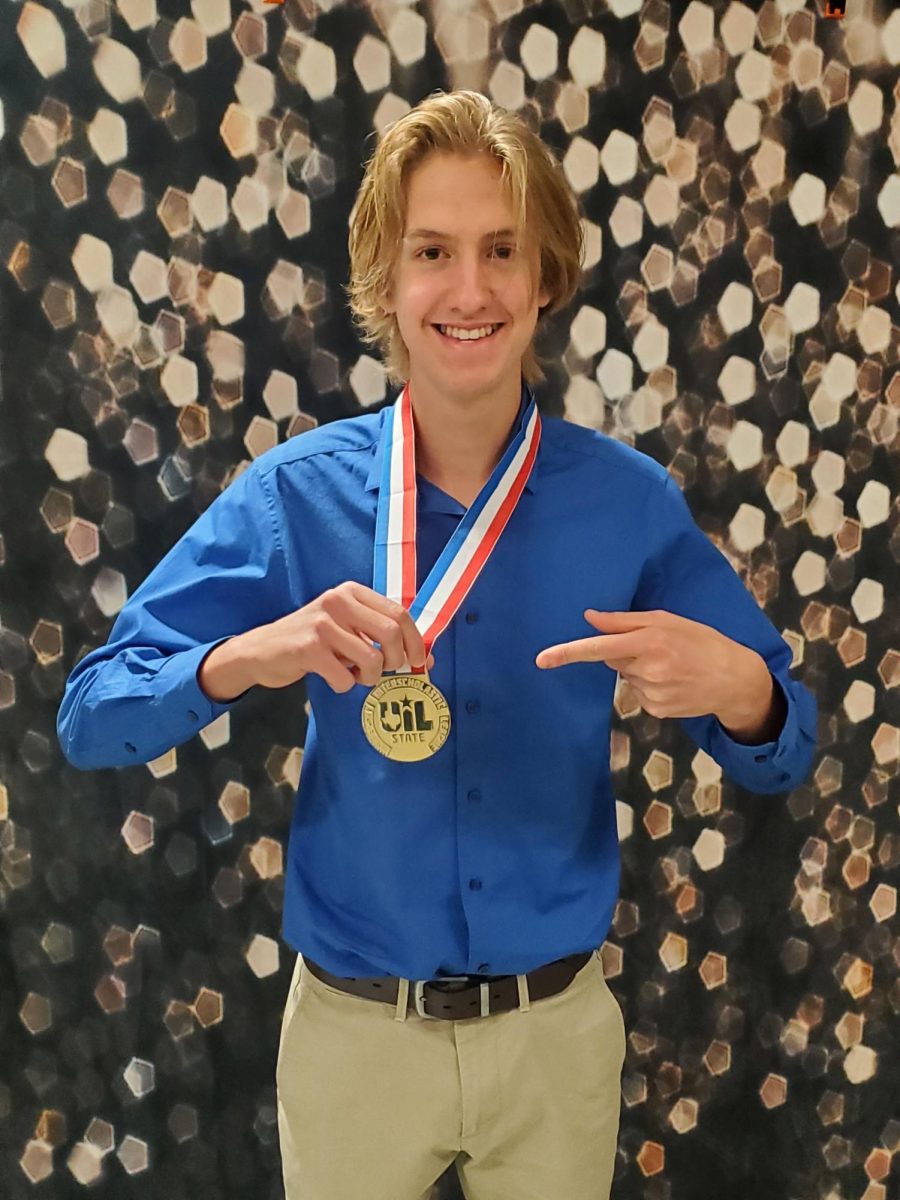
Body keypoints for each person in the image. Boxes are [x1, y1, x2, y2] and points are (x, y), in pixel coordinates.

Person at [58, 90, 817, 1200]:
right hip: (357, 1043)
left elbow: (785, 745)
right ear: (387, 281)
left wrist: (747, 691)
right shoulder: (293, 502)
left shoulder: (629, 508)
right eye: (433, 252)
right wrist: (246, 658)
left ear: (547, 275)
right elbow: (90, 716)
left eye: (503, 250)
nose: (469, 290)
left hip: (553, 1042)